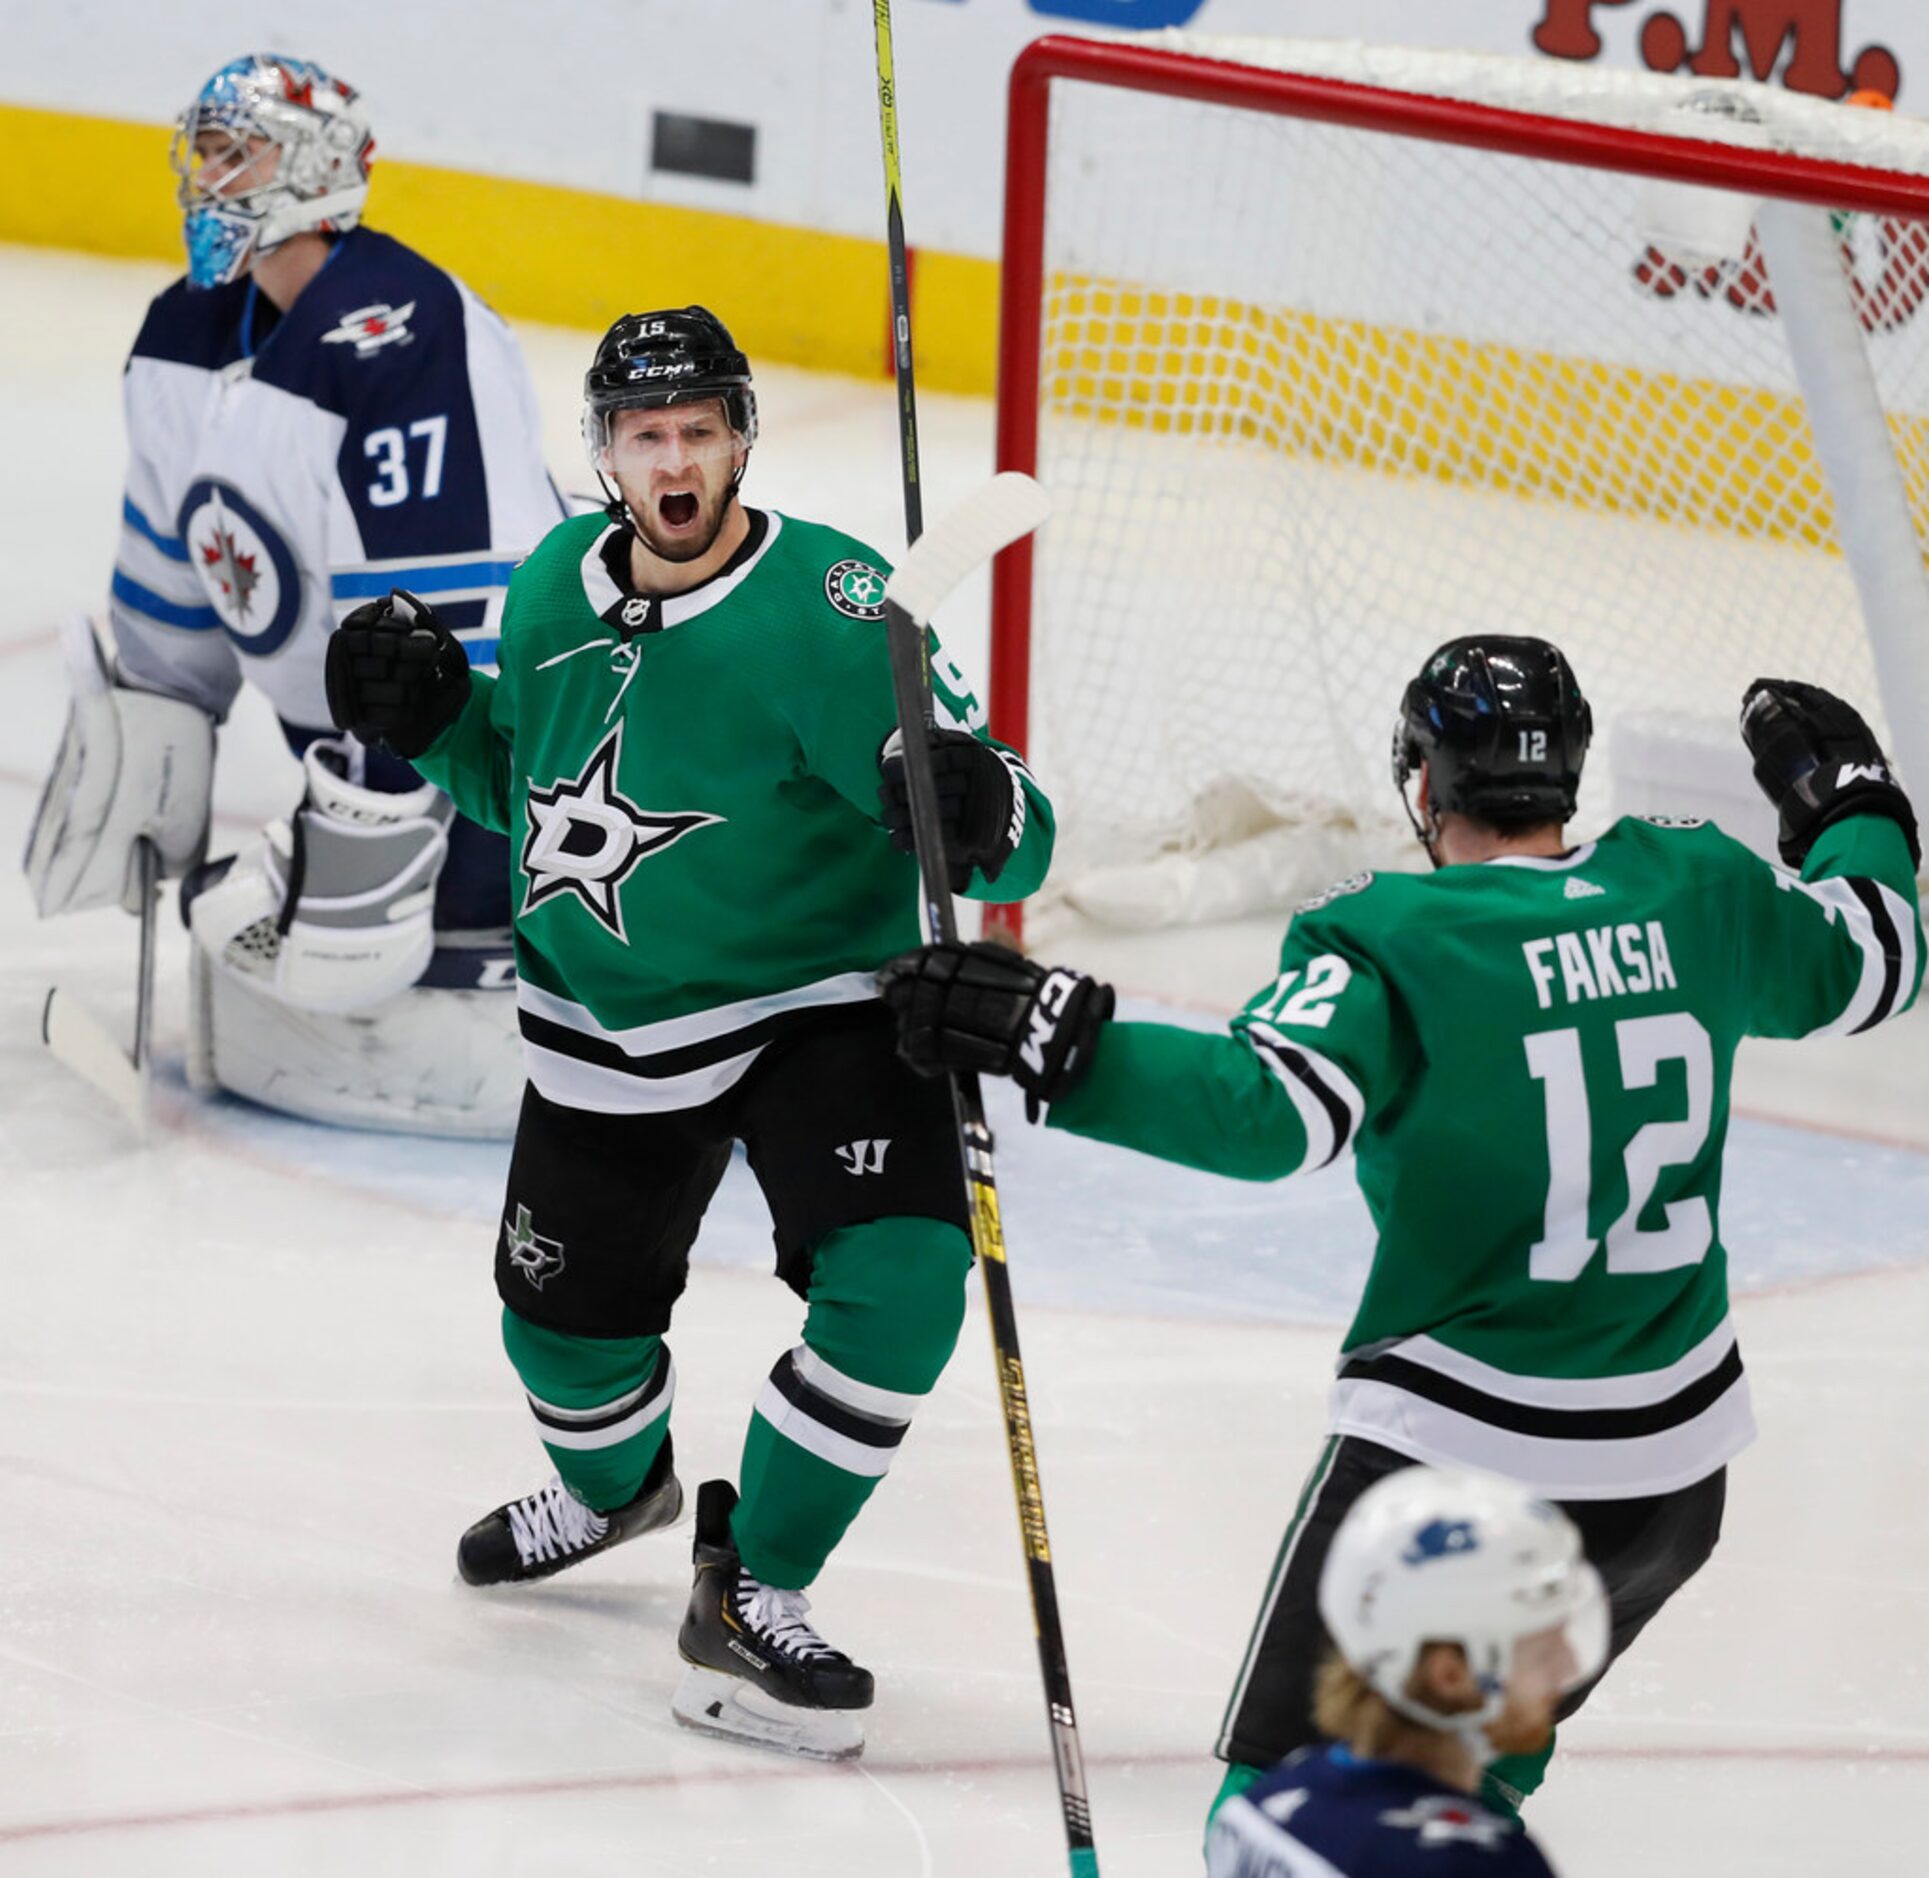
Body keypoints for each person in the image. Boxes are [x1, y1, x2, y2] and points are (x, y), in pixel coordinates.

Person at [882, 639, 1921, 1817]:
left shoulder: (1395, 937)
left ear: (1424, 786)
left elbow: (1267, 1114)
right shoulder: (1699, 889)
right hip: (1669, 1485)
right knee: (1452, 1800)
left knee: (1284, 1826)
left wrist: (1055, 1038)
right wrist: (1855, 806)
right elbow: (1886, 948)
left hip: (1468, 1468)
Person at [321, 305, 1054, 1757]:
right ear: (604, 452)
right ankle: (614, 1494)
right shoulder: (549, 587)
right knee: (559, 1337)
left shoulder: (842, 609)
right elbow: (525, 796)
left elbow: (1014, 838)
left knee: (906, 1282)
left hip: (822, 1004)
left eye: (701, 431)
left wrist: (978, 804)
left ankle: (754, 1587)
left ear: (740, 444)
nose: (676, 461)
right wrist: (437, 721)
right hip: (607, 1020)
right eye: (648, 435)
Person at [23, 51, 567, 1134]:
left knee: (380, 929)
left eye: (239, 152)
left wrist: (373, 815)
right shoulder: (182, 332)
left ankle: (513, 924)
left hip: (513, 761)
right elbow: (177, 588)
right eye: (205, 149)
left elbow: (455, 624)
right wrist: (155, 730)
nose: (207, 176)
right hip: (356, 743)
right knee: (228, 908)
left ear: (314, 171)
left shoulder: (402, 332)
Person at [1207, 1464, 1604, 1877]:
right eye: (1541, 1652)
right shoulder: (1477, 1862)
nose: (1568, 1666)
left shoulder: (1269, 1802)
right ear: (1451, 1676)